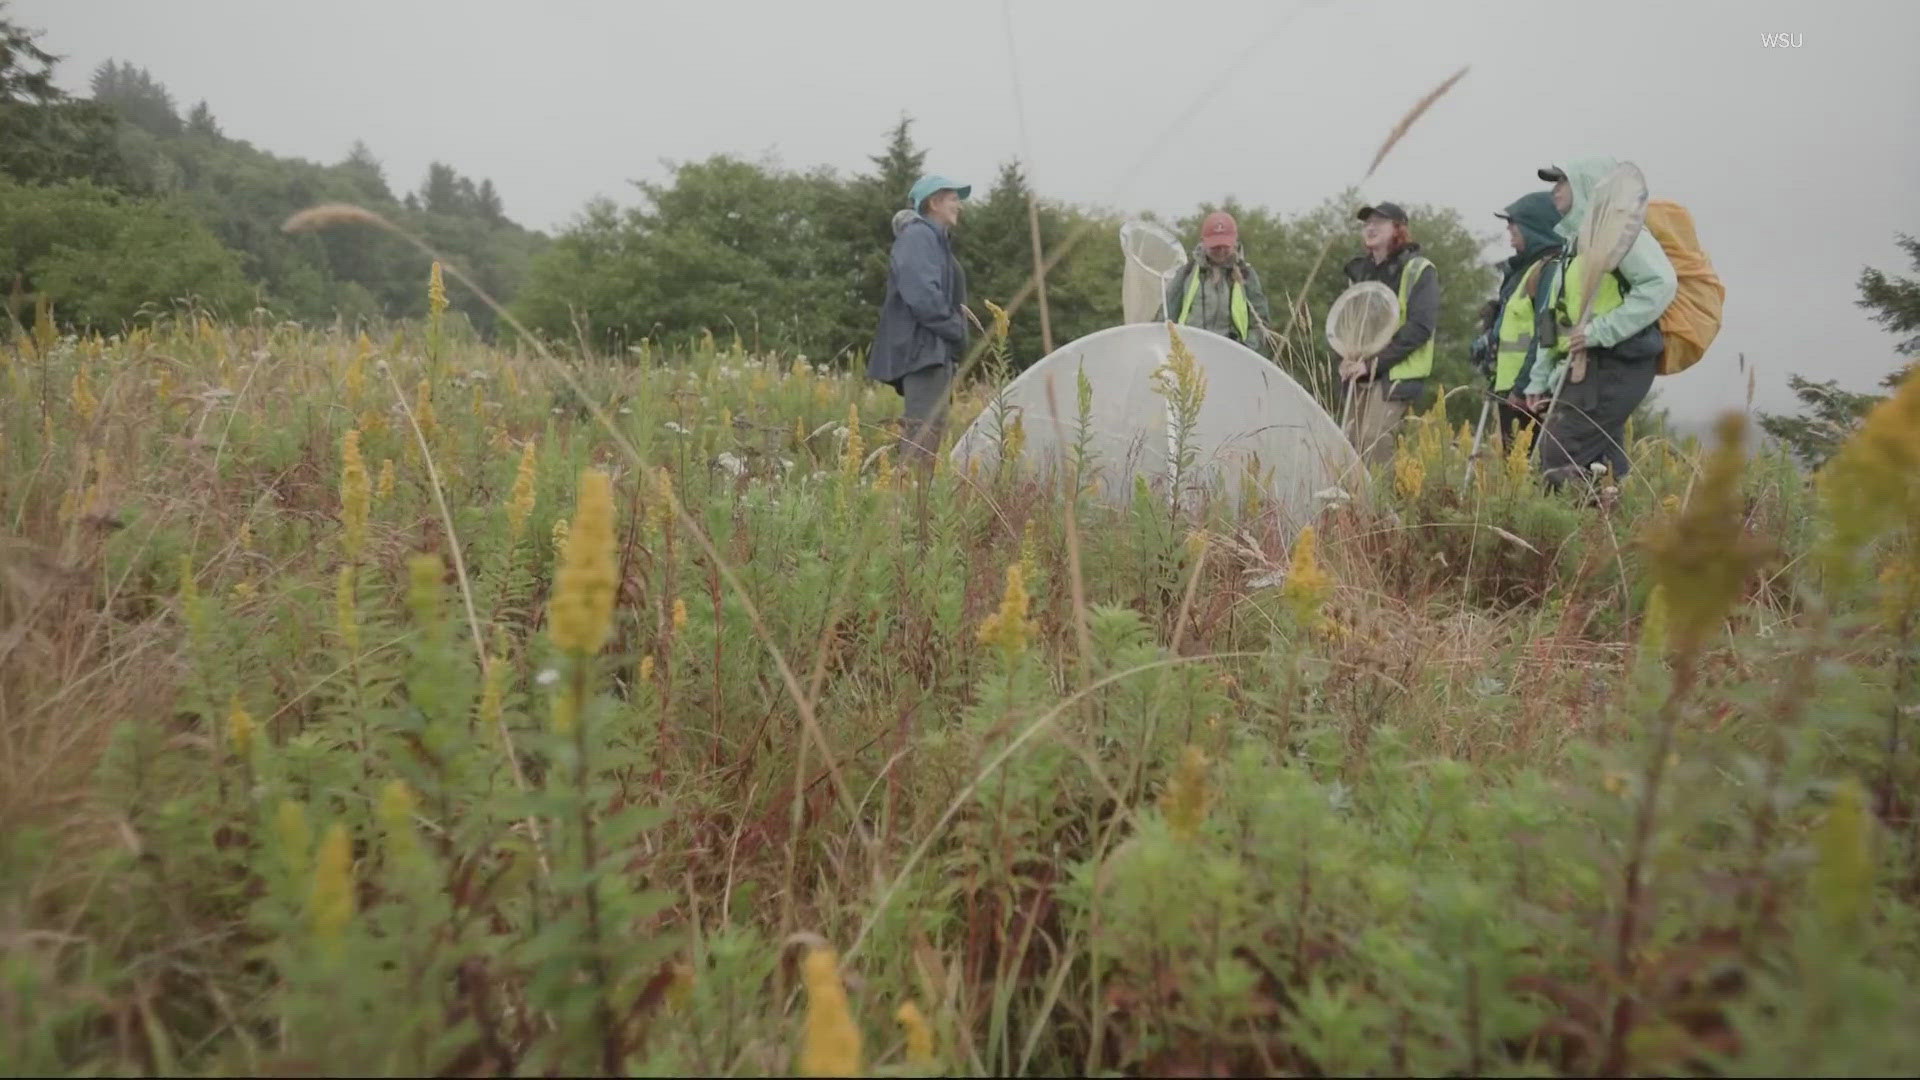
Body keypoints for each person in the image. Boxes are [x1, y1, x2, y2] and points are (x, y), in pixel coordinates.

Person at [1521, 157, 1677, 490]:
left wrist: (1601, 331)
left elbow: (1660, 283)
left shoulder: (1620, 233)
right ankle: (1618, 535)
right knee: (1603, 465)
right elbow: (1554, 317)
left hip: (1614, 363)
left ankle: (1559, 537)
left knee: (1562, 454)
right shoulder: (1572, 246)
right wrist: (1539, 377)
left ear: (1587, 186)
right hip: (1587, 367)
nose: (1554, 191)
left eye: (1562, 182)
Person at [869, 174, 971, 460]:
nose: (959, 206)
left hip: (933, 351)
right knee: (922, 437)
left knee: (930, 433)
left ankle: (916, 498)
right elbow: (922, 294)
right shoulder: (918, 236)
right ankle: (909, 501)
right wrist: (955, 329)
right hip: (924, 350)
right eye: (953, 199)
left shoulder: (933, 240)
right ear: (934, 202)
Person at [1340, 202, 1439, 466]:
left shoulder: (1419, 269)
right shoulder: (1359, 272)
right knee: (1349, 442)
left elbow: (1421, 326)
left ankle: (1383, 506)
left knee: (1374, 441)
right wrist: (1345, 356)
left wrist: (1373, 364)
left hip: (1395, 374)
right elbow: (1349, 323)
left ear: (1398, 229)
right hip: (1359, 372)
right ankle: (1352, 506)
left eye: (1379, 222)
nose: (1370, 227)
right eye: (1367, 223)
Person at [1473, 191, 1564, 449]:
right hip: (1510, 389)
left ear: (1535, 227)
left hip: (1527, 395)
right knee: (1512, 473)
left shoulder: (1549, 269)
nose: (1510, 234)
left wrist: (1524, 385)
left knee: (1526, 471)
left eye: (1515, 227)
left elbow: (1546, 331)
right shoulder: (1524, 272)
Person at [1164, 211, 1275, 357]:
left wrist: (1245, 348)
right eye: (1215, 246)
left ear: (1234, 242)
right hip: (1190, 356)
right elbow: (1166, 317)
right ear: (1204, 242)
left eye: (1225, 246)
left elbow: (1261, 325)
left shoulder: (1247, 274)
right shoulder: (1187, 272)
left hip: (1233, 358)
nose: (1221, 251)